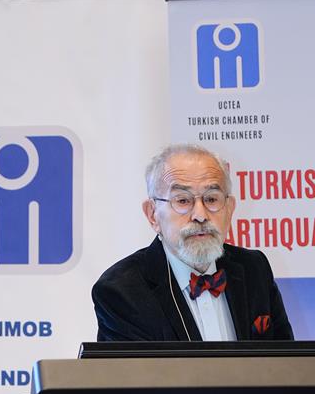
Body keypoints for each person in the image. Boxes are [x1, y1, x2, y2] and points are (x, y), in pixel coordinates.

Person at [92, 143, 294, 341]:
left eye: (211, 199)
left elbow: (287, 358)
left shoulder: (254, 269)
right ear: (153, 214)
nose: (200, 215)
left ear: (230, 208)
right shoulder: (121, 291)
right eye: (183, 200)